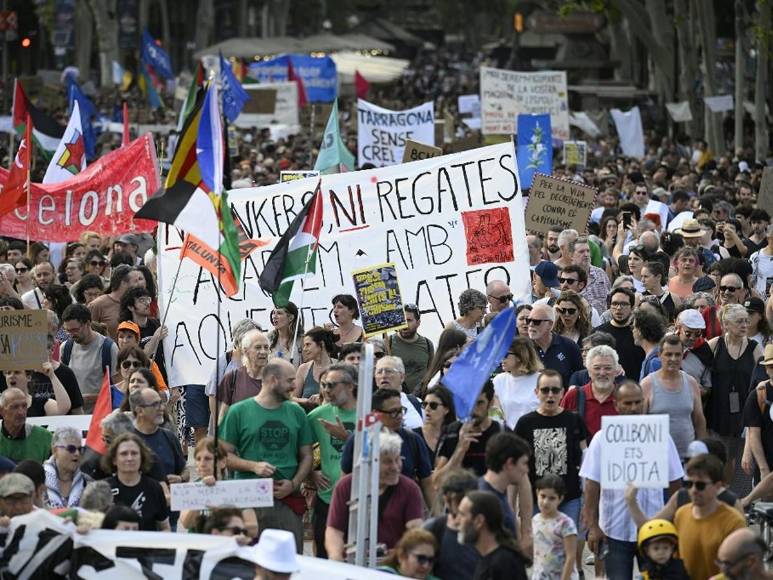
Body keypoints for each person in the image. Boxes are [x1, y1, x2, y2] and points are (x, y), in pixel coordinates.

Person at [581, 381, 684, 580]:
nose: (633, 408)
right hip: (614, 529)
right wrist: (593, 527)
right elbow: (592, 485)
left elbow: (675, 483)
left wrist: (675, 521)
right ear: (617, 405)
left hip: (654, 527)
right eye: (627, 403)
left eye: (637, 402)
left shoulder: (661, 437)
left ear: (644, 403)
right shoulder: (602, 439)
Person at [219, 359, 313, 552]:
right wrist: (253, 466)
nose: (294, 386)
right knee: (248, 561)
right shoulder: (239, 412)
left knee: (288, 559)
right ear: (272, 380)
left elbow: (307, 456)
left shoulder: (297, 412)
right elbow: (223, 456)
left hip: (287, 501)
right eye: (289, 381)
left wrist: (294, 484)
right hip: (249, 500)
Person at [326, 431, 424, 559]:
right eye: (388, 462)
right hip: (353, 561)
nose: (395, 467)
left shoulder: (410, 489)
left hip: (394, 563)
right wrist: (336, 559)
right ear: (370, 463)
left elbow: (415, 530)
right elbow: (334, 531)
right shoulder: (347, 486)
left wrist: (399, 556)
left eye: (398, 460)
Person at [515, 370, 587, 530]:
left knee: (570, 548)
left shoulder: (574, 420)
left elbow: (585, 459)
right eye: (545, 390)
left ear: (562, 392)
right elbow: (514, 466)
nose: (550, 395)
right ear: (536, 392)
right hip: (535, 500)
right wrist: (511, 504)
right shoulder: (525, 423)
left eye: (555, 390)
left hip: (570, 499)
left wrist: (586, 501)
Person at [340, 388, 434, 508]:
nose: (400, 416)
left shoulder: (413, 440)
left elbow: (427, 485)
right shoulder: (359, 440)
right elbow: (344, 481)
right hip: (366, 514)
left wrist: (438, 519)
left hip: (403, 514)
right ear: (376, 413)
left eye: (401, 410)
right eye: (393, 412)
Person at [709, 303, 763, 496]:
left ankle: (740, 503)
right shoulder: (715, 345)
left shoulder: (755, 348)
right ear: (726, 324)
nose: (744, 325)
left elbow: (763, 379)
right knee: (718, 461)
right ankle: (717, 498)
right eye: (739, 321)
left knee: (743, 463)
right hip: (718, 413)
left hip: (745, 414)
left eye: (746, 321)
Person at [307, 364, 358, 558]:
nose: (326, 390)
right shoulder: (317, 416)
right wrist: (311, 473)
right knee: (324, 556)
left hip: (361, 497)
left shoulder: (369, 413)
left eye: (332, 385)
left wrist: (347, 437)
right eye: (324, 385)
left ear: (351, 386)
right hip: (328, 498)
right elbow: (301, 450)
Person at [672, 455, 747, 579]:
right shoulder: (681, 514)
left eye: (700, 485)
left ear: (718, 486)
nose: (694, 490)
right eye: (689, 484)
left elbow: (741, 567)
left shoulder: (733, 522)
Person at [642, 334, 708, 458]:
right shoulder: (647, 385)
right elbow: (640, 424)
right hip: (657, 459)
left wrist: (702, 452)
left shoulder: (691, 383)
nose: (673, 358)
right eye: (668, 354)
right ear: (659, 356)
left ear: (682, 356)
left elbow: (699, 420)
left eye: (678, 354)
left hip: (687, 459)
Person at [178, 437, 258, 537]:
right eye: (198, 459)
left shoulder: (236, 488)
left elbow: (253, 528)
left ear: (223, 462)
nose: (202, 464)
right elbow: (186, 523)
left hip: (228, 546)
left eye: (208, 459)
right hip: (198, 548)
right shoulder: (191, 489)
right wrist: (201, 492)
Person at [101, 432, 171, 531]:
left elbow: (164, 527)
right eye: (124, 454)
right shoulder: (103, 489)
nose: (129, 458)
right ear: (114, 460)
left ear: (142, 458)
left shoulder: (154, 488)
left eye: (134, 453)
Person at [456, 490, 528, 580]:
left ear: (479, 521)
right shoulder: (486, 560)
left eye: (462, 515)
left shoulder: (504, 563)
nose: (457, 521)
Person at [423, 469, 480, 580]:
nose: (463, 505)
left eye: (468, 499)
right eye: (459, 500)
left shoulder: (486, 530)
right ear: (447, 500)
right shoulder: (434, 528)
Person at [60, 303, 118, 412]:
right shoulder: (66, 348)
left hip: (100, 415)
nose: (71, 334)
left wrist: (93, 398)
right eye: (67, 331)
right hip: (74, 416)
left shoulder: (108, 348)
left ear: (88, 323)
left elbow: (119, 389)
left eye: (75, 330)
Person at [478, 431, 532, 539]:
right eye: (524, 463)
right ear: (510, 463)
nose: (527, 470)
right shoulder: (486, 503)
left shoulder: (499, 498)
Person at [129, 387, 188, 488]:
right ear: (140, 411)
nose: (162, 408)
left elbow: (184, 470)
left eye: (161, 403)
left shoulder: (169, 437)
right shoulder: (127, 441)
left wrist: (180, 478)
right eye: (155, 404)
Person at [561, 345, 620, 439]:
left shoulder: (625, 397)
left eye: (608, 368)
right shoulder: (573, 396)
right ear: (588, 371)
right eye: (597, 368)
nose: (602, 373)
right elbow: (560, 432)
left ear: (616, 371)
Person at [531, 474, 579, 580]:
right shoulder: (535, 520)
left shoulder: (566, 523)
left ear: (560, 498)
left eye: (552, 498)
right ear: (537, 493)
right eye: (543, 496)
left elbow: (571, 556)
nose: (545, 502)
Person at [216, 329, 270, 421]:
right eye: (258, 347)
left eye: (266, 347)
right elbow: (223, 417)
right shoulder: (232, 378)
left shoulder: (276, 379)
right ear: (246, 351)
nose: (263, 351)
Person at [527, 304, 583, 387]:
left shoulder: (569, 346)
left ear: (550, 324)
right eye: (528, 321)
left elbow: (581, 377)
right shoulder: (523, 348)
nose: (531, 325)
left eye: (536, 322)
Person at [595, 287, 645, 380]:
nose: (618, 308)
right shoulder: (597, 333)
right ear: (609, 306)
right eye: (615, 304)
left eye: (624, 304)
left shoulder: (640, 334)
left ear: (632, 307)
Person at [492, 337, 541, 429]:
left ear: (520, 356)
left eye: (505, 354)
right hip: (509, 438)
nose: (501, 358)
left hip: (535, 435)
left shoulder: (541, 379)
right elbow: (496, 414)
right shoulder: (499, 380)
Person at [742, 343, 773, 484]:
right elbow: (754, 433)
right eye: (772, 367)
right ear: (766, 369)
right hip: (768, 463)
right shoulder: (758, 394)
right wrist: (763, 469)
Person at [388, 304, 435, 395]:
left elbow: (430, 372)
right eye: (402, 320)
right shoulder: (388, 343)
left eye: (409, 320)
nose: (405, 324)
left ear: (418, 323)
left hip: (420, 399)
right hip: (395, 397)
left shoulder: (428, 345)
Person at [87, 265, 142, 339]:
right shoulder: (97, 305)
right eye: (135, 281)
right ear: (123, 283)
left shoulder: (137, 304)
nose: (139, 284)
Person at [44, 426, 92, 508]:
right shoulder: (39, 479)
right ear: (55, 451)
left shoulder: (88, 482)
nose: (77, 453)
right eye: (71, 449)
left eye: (80, 449)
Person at [0, 388, 52, 463]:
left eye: (24, 406)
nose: (21, 412)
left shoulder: (45, 438)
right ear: (1, 411)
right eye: (15, 407)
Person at [374, 355, 424, 429]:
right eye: (379, 372)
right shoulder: (368, 406)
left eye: (388, 371)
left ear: (402, 377)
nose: (383, 375)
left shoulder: (416, 403)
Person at [2, 363, 71, 417]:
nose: (11, 376)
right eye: (8, 373)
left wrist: (52, 376)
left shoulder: (40, 403)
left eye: (17, 372)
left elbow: (63, 408)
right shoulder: (1, 405)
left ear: (28, 377)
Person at [293, 327, 335, 408]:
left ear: (321, 344)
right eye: (304, 345)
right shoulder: (303, 369)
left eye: (308, 345)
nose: (304, 349)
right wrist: (307, 401)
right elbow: (291, 398)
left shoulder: (338, 367)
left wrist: (323, 398)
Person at [675, 308, 714, 396]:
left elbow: (708, 387)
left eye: (697, 334)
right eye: (688, 333)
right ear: (679, 328)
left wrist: (703, 391)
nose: (692, 338)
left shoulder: (704, 350)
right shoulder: (667, 343)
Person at [571, 235, 611, 314]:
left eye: (588, 251)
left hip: (601, 323)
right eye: (581, 251)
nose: (586, 254)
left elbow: (609, 300)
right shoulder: (567, 277)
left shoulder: (601, 274)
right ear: (571, 255)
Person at [415, 385, 456, 455]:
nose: (427, 409)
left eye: (433, 405)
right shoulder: (414, 437)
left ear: (446, 409)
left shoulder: (454, 436)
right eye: (425, 404)